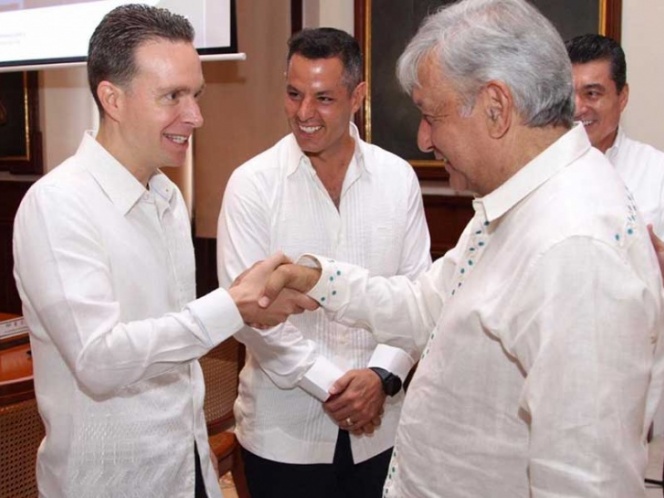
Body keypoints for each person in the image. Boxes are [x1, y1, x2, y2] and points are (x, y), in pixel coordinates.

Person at [259, 0, 664, 496]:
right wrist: (314, 279)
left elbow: (584, 482)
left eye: (432, 115)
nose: (423, 139)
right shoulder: (521, 201)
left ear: (496, 107)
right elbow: (426, 305)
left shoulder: (576, 246)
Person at [12, 5, 315, 498]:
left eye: (195, 95)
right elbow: (99, 360)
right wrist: (231, 306)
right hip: (109, 485)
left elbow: (173, 343)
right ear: (112, 98)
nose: (195, 116)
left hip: (186, 467)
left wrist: (247, 310)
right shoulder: (57, 205)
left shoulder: (168, 197)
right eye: (173, 96)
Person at [216, 27, 431, 498]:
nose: (304, 113)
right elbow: (250, 316)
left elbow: (418, 296)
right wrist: (339, 389)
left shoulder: (397, 178)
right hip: (283, 436)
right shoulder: (252, 185)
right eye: (294, 94)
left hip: (382, 432)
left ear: (357, 96)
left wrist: (380, 378)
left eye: (324, 98)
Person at [566, 33, 664, 237]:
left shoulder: (656, 173)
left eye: (592, 94)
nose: (577, 108)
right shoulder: (538, 167)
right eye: (568, 95)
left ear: (622, 97)